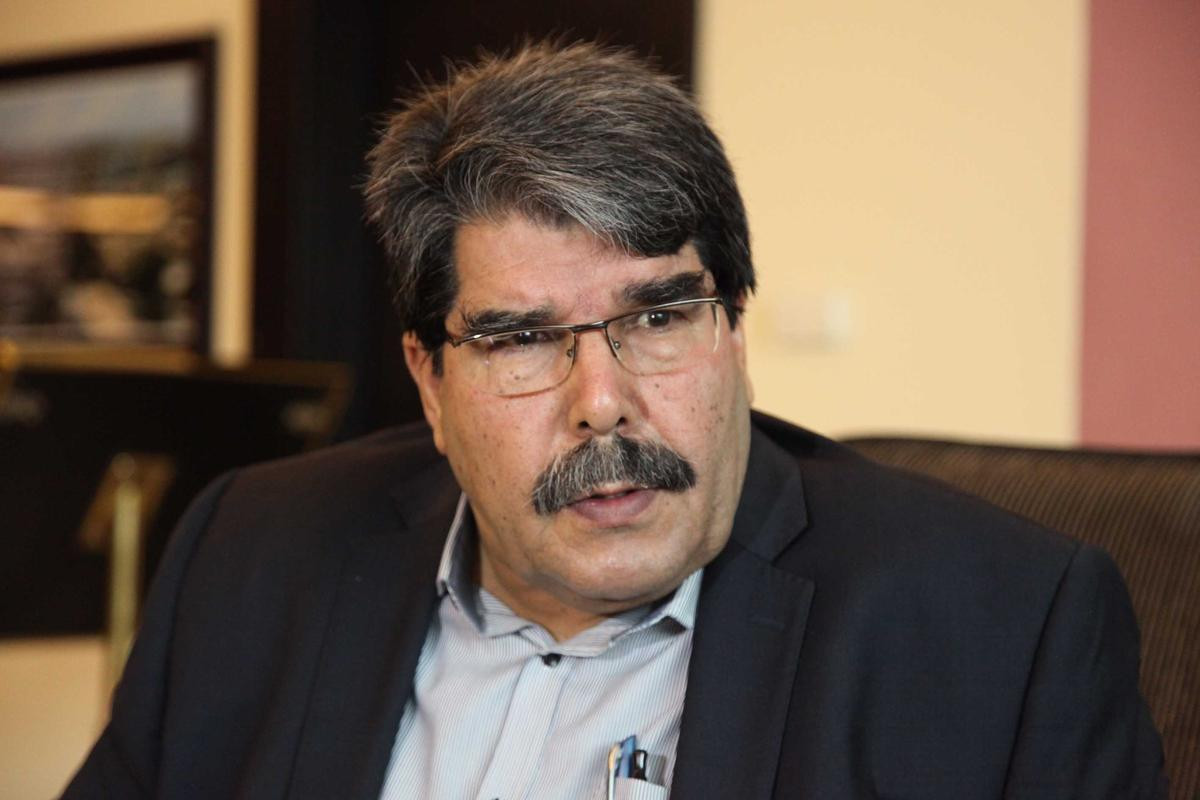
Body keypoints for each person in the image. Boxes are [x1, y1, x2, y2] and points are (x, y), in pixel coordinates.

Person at [65, 41, 1166, 799]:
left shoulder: (1003, 629)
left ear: (733, 332)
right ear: (429, 381)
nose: (602, 402)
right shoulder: (253, 550)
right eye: (520, 338)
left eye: (659, 317)